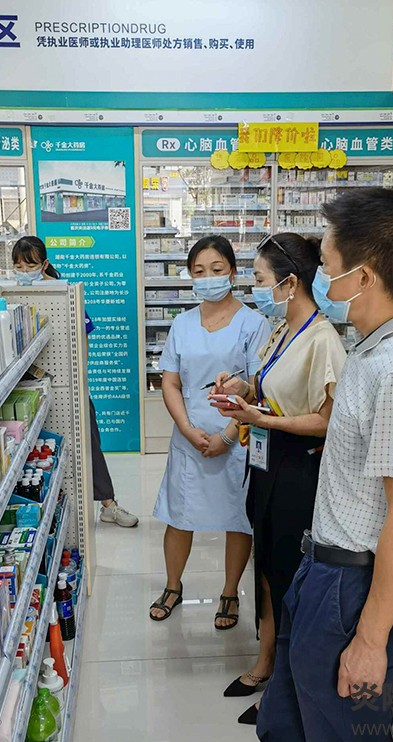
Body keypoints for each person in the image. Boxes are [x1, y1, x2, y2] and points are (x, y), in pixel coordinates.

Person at [255, 189, 393, 742]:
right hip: (326, 571)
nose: (318, 277)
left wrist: (369, 640)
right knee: (287, 730)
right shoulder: (375, 346)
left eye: (325, 265)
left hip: (355, 590)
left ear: (364, 276)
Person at [213, 233, 346, 725]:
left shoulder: (322, 339)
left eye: (260, 278)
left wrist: (261, 418)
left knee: (291, 576)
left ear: (290, 283)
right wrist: (242, 389)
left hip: (299, 471)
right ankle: (265, 662)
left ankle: (288, 692)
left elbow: (328, 420)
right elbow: (269, 386)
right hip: (267, 464)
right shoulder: (280, 329)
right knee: (268, 568)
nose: (255, 287)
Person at [149, 236, 271, 629]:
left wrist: (228, 436)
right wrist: (187, 428)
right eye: (199, 271)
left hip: (236, 439)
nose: (208, 278)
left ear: (232, 273)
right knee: (179, 515)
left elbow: (258, 388)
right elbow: (170, 382)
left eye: (216, 270)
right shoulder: (182, 324)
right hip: (189, 437)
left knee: (238, 518)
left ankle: (230, 592)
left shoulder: (254, 324)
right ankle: (172, 586)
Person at [11, 236, 139, 528]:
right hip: (25, 386)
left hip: (67, 382)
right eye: (18, 266)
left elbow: (84, 339)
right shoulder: (9, 295)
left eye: (30, 265)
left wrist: (79, 381)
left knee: (88, 441)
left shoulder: (65, 292)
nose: (24, 272)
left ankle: (109, 505)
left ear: (44, 263)